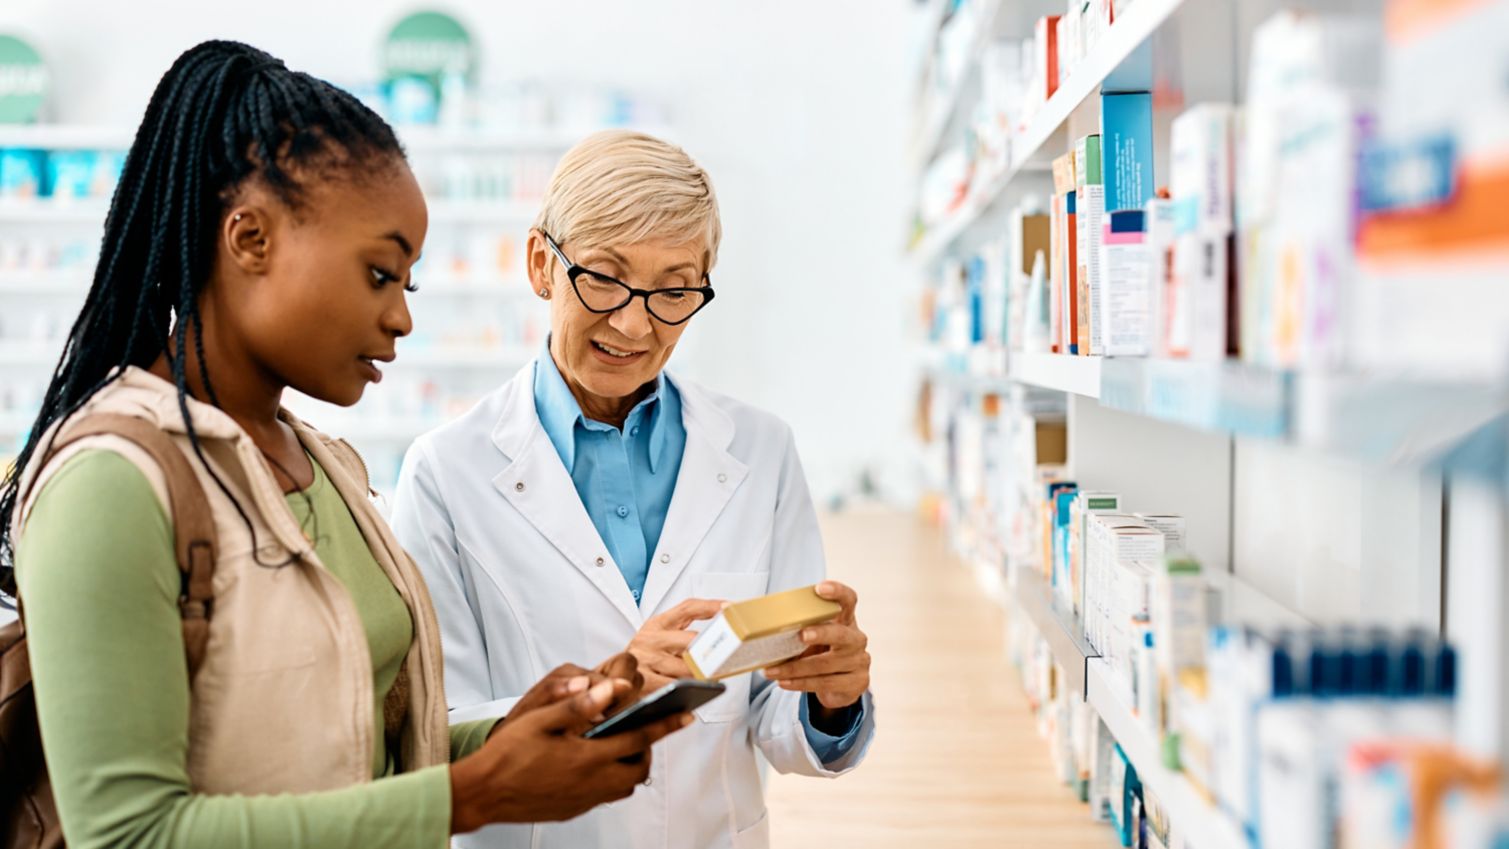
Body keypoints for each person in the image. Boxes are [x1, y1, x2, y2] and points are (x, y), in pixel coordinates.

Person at [0, 42, 690, 849]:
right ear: (249, 239)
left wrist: (516, 733)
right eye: (377, 274)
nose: (400, 316)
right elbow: (128, 835)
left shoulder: (320, 466)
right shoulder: (111, 484)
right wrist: (471, 795)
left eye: (410, 283)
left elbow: (345, 763)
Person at [392, 130, 878, 849]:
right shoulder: (445, 472)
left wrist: (833, 701)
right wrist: (605, 689)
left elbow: (769, 714)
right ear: (540, 265)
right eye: (605, 278)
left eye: (673, 289)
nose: (634, 321)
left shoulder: (760, 451)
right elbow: (437, 730)